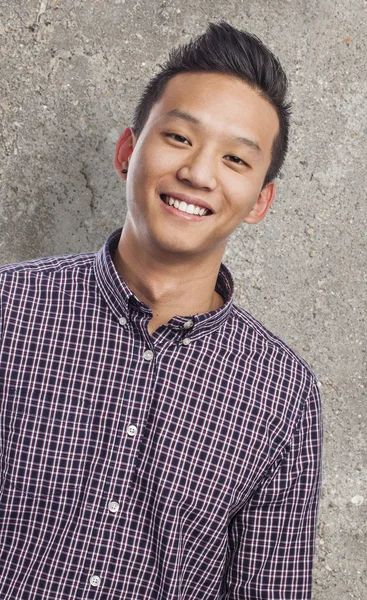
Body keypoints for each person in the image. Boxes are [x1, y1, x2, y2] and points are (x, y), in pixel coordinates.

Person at [0, 22, 322, 600]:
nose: (198, 173)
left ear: (260, 202)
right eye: (178, 137)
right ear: (128, 151)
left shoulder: (283, 395)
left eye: (236, 160)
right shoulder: (10, 309)